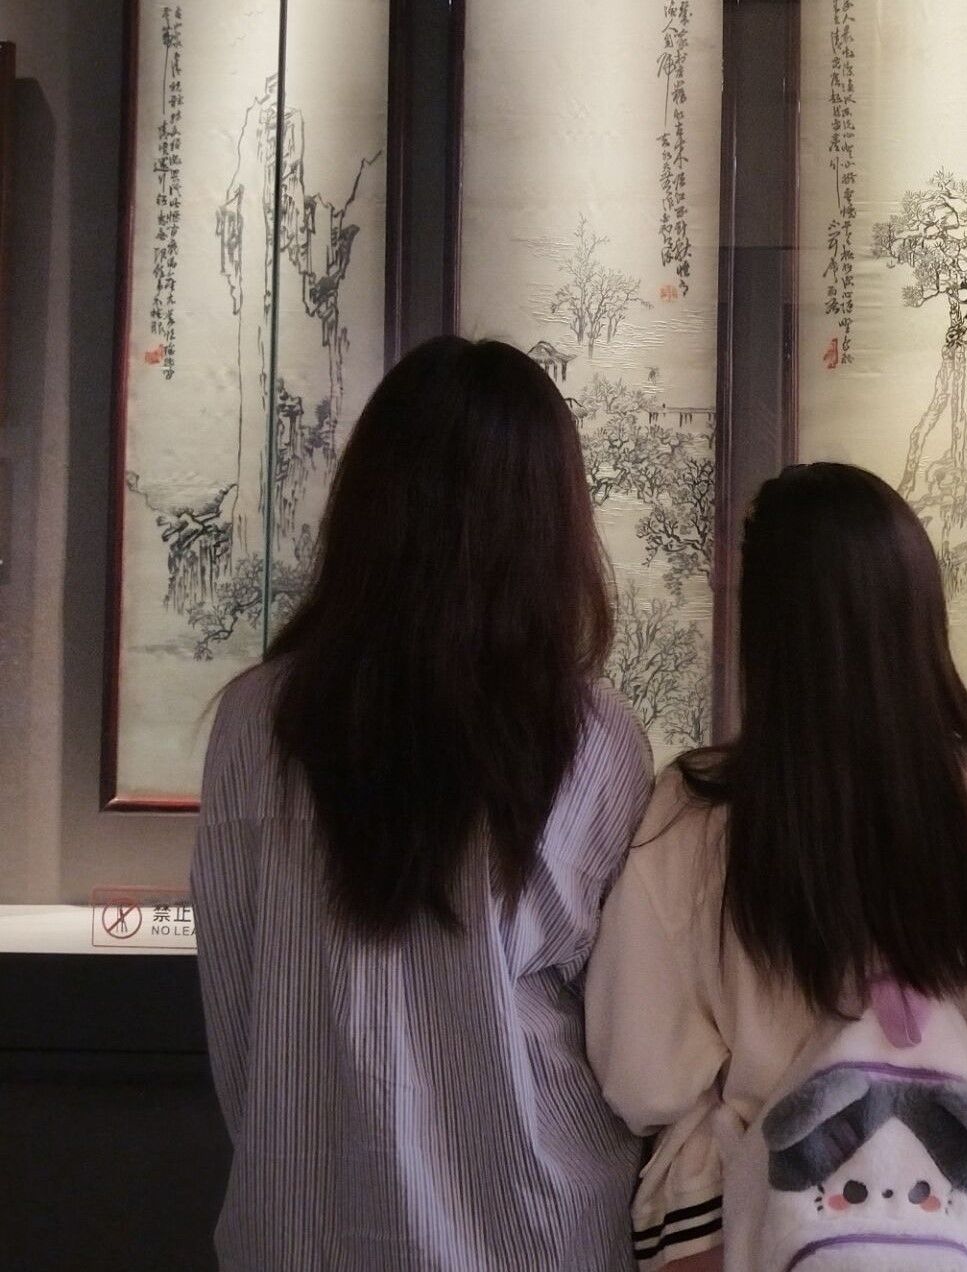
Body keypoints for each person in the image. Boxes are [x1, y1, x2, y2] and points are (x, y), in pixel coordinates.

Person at [191, 337, 652, 1270]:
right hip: (538, 1231)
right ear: (551, 522)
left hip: (301, 1229)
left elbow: (236, 1015)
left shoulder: (256, 721)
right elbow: (624, 1045)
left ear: (368, 504)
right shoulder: (594, 739)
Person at [584, 462, 967, 1269]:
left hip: (741, 1216)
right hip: (927, 1218)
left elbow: (641, 1076)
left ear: (765, 627)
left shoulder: (696, 809)